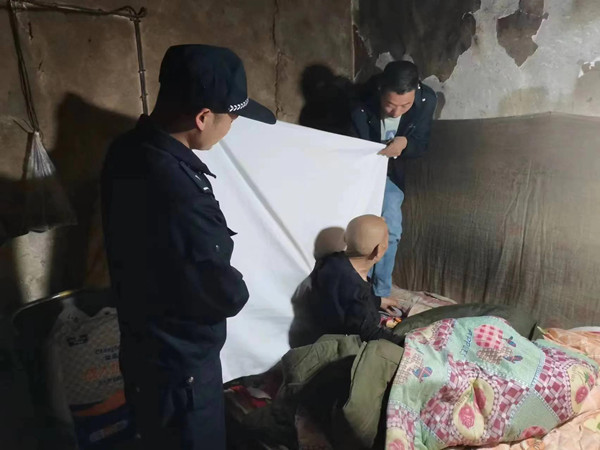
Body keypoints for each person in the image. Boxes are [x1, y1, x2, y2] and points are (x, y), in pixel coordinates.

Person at [101, 44, 276, 450]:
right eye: (232, 117)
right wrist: (242, 284)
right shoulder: (180, 191)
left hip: (145, 350)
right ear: (203, 117)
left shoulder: (127, 150)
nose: (232, 126)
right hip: (182, 373)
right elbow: (222, 292)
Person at [350, 61, 437, 302]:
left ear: (416, 91)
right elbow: (349, 142)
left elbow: (421, 143)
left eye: (405, 105)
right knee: (357, 229)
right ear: (380, 89)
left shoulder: (426, 100)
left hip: (390, 173)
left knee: (392, 230)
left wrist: (405, 143)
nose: (396, 112)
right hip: (357, 172)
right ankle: (355, 287)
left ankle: (380, 294)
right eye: (389, 104)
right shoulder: (359, 100)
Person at [288, 215, 404, 348]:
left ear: (345, 238)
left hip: (306, 332)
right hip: (325, 347)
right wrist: (404, 342)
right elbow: (369, 333)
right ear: (378, 251)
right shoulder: (356, 295)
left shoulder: (331, 261)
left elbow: (341, 298)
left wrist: (378, 301)